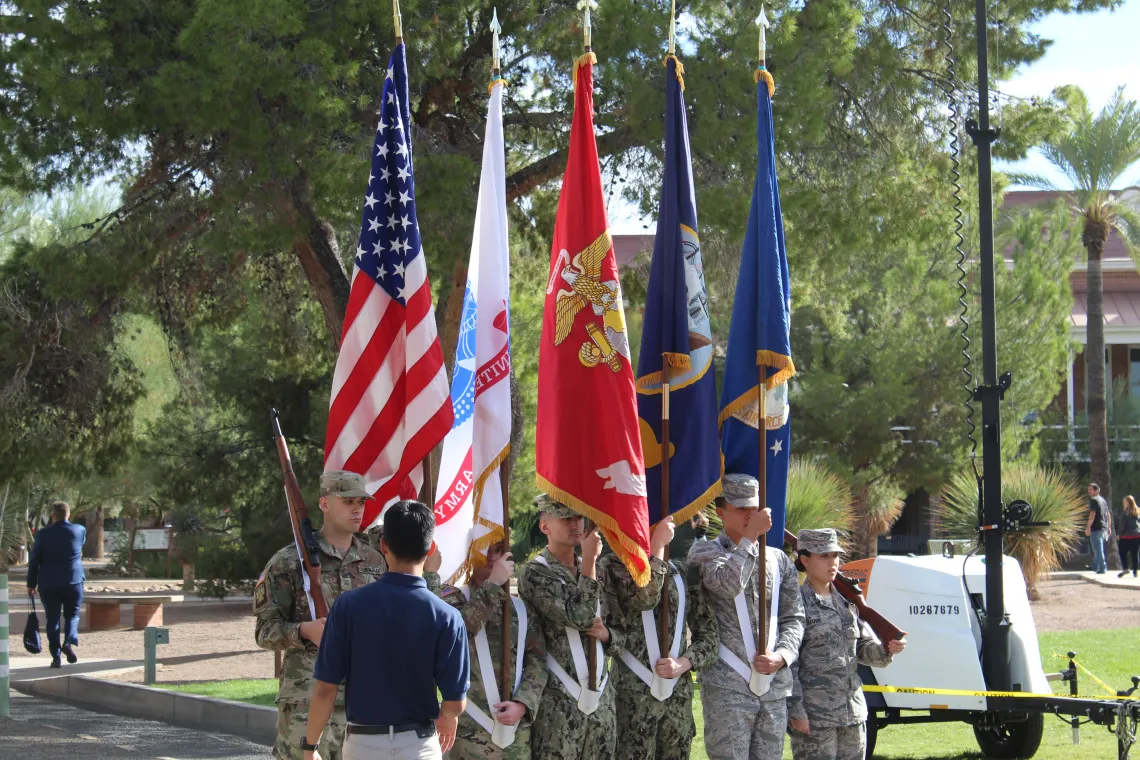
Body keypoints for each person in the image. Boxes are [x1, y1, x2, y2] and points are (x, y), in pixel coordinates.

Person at [303, 499, 469, 760]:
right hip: (419, 746)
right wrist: (448, 715)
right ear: (430, 548)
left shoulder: (348, 606)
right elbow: (455, 704)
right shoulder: (447, 616)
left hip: (363, 745)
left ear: (383, 546)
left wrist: (310, 747)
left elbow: (325, 689)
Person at [254, 471, 389, 760]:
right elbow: (264, 631)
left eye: (361, 502)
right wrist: (303, 631)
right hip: (307, 701)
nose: (357, 509)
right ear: (325, 504)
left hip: (364, 702)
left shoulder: (377, 562)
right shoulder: (289, 561)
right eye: (348, 501)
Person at [687, 473, 805, 760]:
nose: (749, 515)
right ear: (721, 512)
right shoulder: (704, 552)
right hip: (728, 684)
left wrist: (783, 656)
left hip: (773, 685)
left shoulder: (778, 560)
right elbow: (727, 586)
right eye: (740, 509)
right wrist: (750, 538)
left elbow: (794, 618)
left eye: (753, 508)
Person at [598, 516, 719, 760]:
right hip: (632, 700)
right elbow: (644, 598)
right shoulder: (611, 567)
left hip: (677, 701)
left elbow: (709, 636)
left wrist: (684, 664)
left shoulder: (682, 572)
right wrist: (654, 551)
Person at [787, 529, 906, 760]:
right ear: (805, 560)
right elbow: (789, 665)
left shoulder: (848, 602)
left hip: (853, 714)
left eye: (835, 556)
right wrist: (796, 711)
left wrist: (886, 649)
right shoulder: (795, 605)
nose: (832, 562)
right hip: (815, 718)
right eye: (824, 556)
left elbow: (862, 647)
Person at [518, 495, 621, 760]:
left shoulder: (593, 569)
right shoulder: (534, 573)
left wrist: (609, 636)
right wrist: (589, 562)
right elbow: (582, 617)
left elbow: (620, 631)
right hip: (559, 702)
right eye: (566, 518)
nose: (576, 524)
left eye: (579, 517)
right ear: (545, 527)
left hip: (601, 700)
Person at [439, 542, 547, 759]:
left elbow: (538, 661)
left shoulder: (520, 609)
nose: (491, 556)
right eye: (484, 548)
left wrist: (523, 703)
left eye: (498, 550)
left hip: (514, 734)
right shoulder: (451, 600)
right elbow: (457, 635)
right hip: (468, 730)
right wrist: (493, 585)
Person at [26, 500, 86, 669]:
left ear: (53, 516)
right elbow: (79, 546)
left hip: (49, 582)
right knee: (73, 614)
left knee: (52, 619)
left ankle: (56, 657)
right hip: (73, 581)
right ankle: (68, 642)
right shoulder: (79, 530)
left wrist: (31, 584)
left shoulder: (43, 534)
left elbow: (34, 560)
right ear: (68, 514)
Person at [1086, 483, 1112, 574]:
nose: (1089, 491)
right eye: (1088, 490)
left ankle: (1103, 567)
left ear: (1097, 491)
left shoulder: (1094, 500)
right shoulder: (1103, 500)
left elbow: (1092, 514)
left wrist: (1088, 527)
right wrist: (1108, 527)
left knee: (1098, 549)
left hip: (1096, 528)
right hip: (1103, 528)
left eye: (1091, 490)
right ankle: (1095, 566)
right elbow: (1108, 515)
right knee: (1098, 548)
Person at [1117, 495, 1140, 579]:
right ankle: (1135, 572)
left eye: (1124, 502)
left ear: (1128, 503)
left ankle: (1126, 568)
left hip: (1127, 536)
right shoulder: (1138, 511)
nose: (1123, 504)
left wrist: (1119, 535)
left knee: (1122, 552)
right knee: (1135, 554)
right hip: (1137, 536)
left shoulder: (1125, 513)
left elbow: (1122, 526)